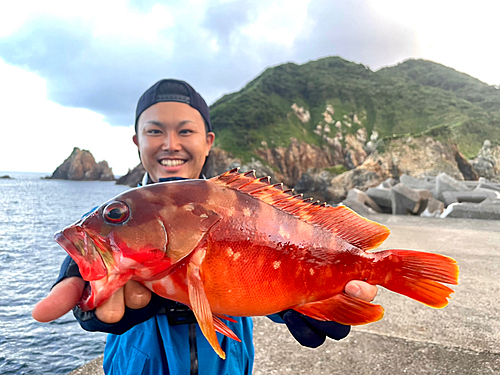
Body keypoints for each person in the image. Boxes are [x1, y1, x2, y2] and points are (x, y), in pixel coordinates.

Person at [33, 79, 378, 374]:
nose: (170, 144)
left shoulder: (240, 206)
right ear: (137, 141)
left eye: (185, 131)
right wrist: (83, 293)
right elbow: (87, 266)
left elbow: (258, 285)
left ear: (208, 141)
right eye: (154, 131)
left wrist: (296, 302)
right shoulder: (115, 217)